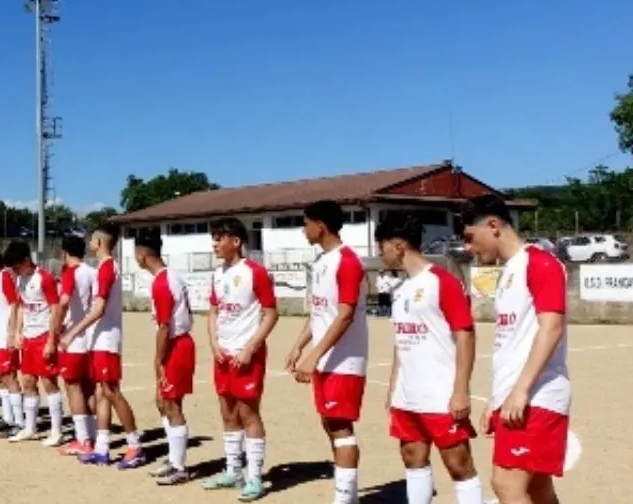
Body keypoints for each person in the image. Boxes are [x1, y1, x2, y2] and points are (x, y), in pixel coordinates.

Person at [460, 194, 570, 504]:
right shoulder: (510, 270)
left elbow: (552, 327)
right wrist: (496, 399)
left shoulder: (540, 262)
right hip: (517, 399)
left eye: (470, 237)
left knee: (506, 484)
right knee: (537, 490)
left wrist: (520, 390)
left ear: (493, 225)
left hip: (538, 398)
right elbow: (511, 343)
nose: (468, 247)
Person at [375, 212, 483, 504]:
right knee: (412, 457)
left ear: (398, 245)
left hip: (440, 394)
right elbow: (401, 341)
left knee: (458, 463)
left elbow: (465, 335)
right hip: (407, 395)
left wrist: (461, 390)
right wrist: (393, 387)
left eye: (381, 245)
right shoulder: (400, 289)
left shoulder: (442, 281)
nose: (379, 253)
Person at [287, 200, 369, 504]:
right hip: (324, 359)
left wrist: (314, 354)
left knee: (340, 426)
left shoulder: (347, 261)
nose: (302, 229)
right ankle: (346, 494)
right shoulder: (322, 261)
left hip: (345, 361)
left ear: (320, 225)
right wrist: (299, 345)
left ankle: (345, 499)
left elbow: (345, 314)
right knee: (330, 423)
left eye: (306, 222)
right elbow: (320, 313)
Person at [198, 218, 279, 499]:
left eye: (219, 238)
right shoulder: (217, 274)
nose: (215, 244)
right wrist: (213, 342)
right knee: (227, 412)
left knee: (249, 414)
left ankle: (255, 477)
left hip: (247, 356)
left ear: (236, 241)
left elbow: (271, 313)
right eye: (214, 239)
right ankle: (233, 471)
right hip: (223, 354)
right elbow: (212, 311)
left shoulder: (255, 271)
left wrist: (250, 347)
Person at [66, 224, 145, 469]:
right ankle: (102, 447)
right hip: (99, 339)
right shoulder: (104, 267)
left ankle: (134, 445)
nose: (89, 244)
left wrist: (72, 332)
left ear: (99, 243)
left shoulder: (108, 267)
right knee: (101, 393)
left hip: (106, 340)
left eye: (92, 240)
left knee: (111, 391)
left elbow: (98, 309)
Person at [130, 234, 198, 486]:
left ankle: (180, 467)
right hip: (176, 344)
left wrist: (158, 359)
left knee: (171, 404)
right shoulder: (169, 276)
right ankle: (172, 458)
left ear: (142, 255)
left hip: (176, 346)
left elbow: (164, 326)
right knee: (162, 402)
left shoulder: (162, 283)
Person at [1, 241, 64, 445]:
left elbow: (56, 308)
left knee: (48, 382)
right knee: (27, 381)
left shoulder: (44, 278)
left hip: (44, 335)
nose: (15, 271)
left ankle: (56, 431)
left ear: (27, 261)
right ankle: (30, 427)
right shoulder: (20, 280)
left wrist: (52, 340)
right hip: (28, 337)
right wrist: (17, 332)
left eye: (17, 267)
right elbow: (20, 307)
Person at [53, 236, 98, 456]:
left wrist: (57, 326)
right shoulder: (93, 272)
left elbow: (63, 302)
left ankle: (83, 439)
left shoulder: (71, 273)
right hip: (92, 338)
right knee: (89, 388)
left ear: (65, 252)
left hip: (73, 338)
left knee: (73, 387)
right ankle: (94, 435)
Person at [0, 245, 24, 434]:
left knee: (9, 376)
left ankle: (19, 421)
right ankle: (8, 418)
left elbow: (15, 303)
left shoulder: (6, 276)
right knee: (0, 376)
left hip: (4, 335)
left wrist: (12, 332)